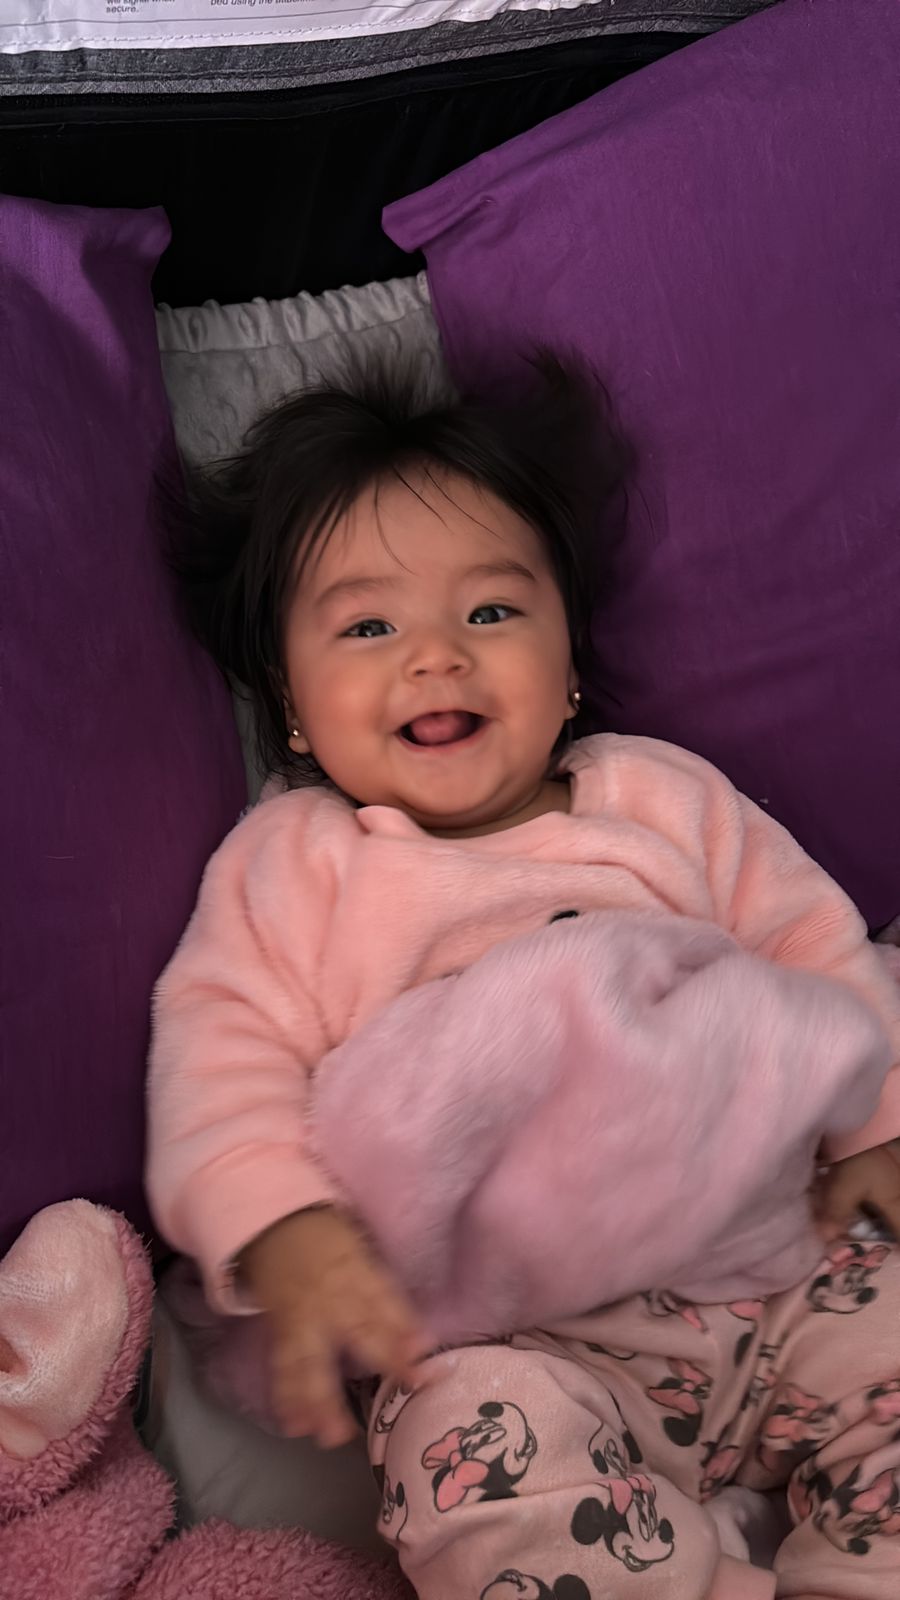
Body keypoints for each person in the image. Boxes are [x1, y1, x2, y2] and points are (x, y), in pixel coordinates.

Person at [147, 358, 900, 1600]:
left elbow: (812, 943)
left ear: (569, 667)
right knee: (466, 1460)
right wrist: (282, 1225)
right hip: (512, 1337)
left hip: (772, 1261)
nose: (437, 657)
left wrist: (876, 1125)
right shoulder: (296, 862)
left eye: (492, 612)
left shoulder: (657, 797)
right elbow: (218, 1055)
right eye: (369, 627)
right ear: (291, 705)